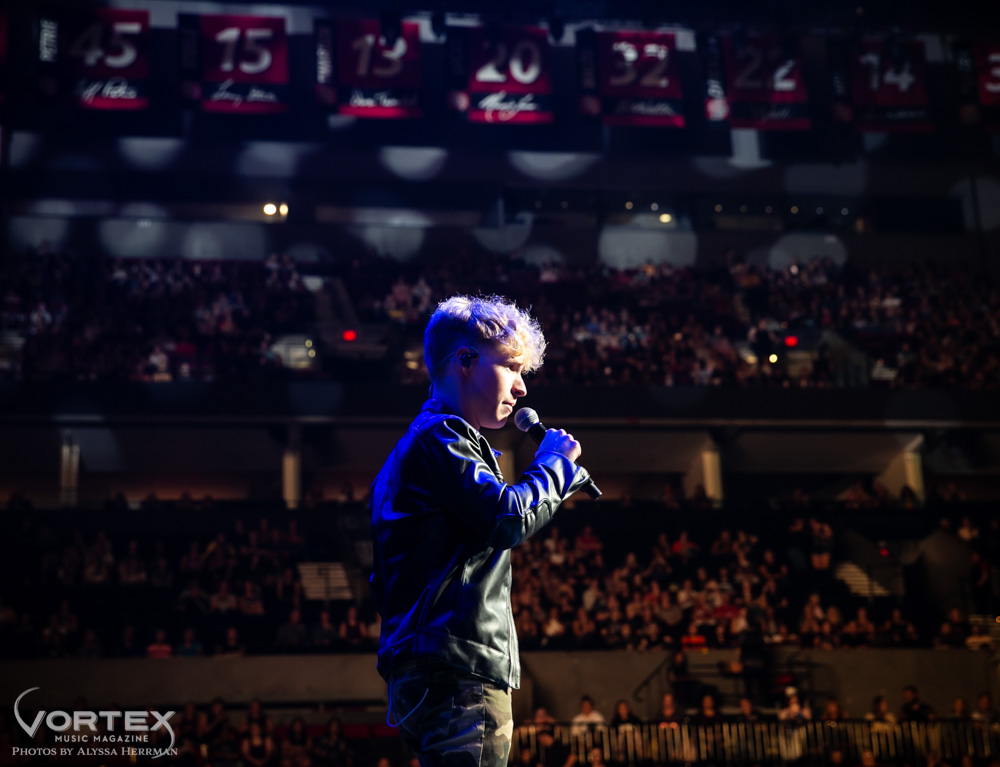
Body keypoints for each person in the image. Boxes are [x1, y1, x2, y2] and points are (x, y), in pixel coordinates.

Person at [370, 296, 592, 767]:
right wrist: (554, 465)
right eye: (512, 367)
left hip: (427, 666)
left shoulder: (409, 452)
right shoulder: (441, 437)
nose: (522, 388)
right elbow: (507, 517)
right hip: (461, 669)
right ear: (466, 361)